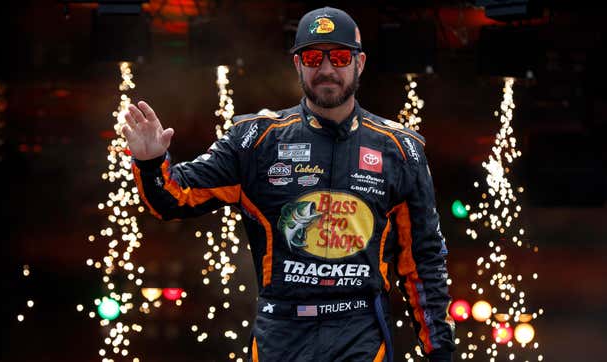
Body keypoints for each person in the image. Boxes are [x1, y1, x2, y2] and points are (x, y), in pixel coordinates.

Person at [123, 6, 455, 362]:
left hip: (361, 336)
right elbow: (173, 198)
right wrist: (150, 161)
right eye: (314, 57)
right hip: (279, 336)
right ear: (298, 64)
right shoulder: (254, 140)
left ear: (360, 63)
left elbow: (423, 261)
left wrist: (440, 352)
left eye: (340, 57)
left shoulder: (401, 150)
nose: (327, 69)